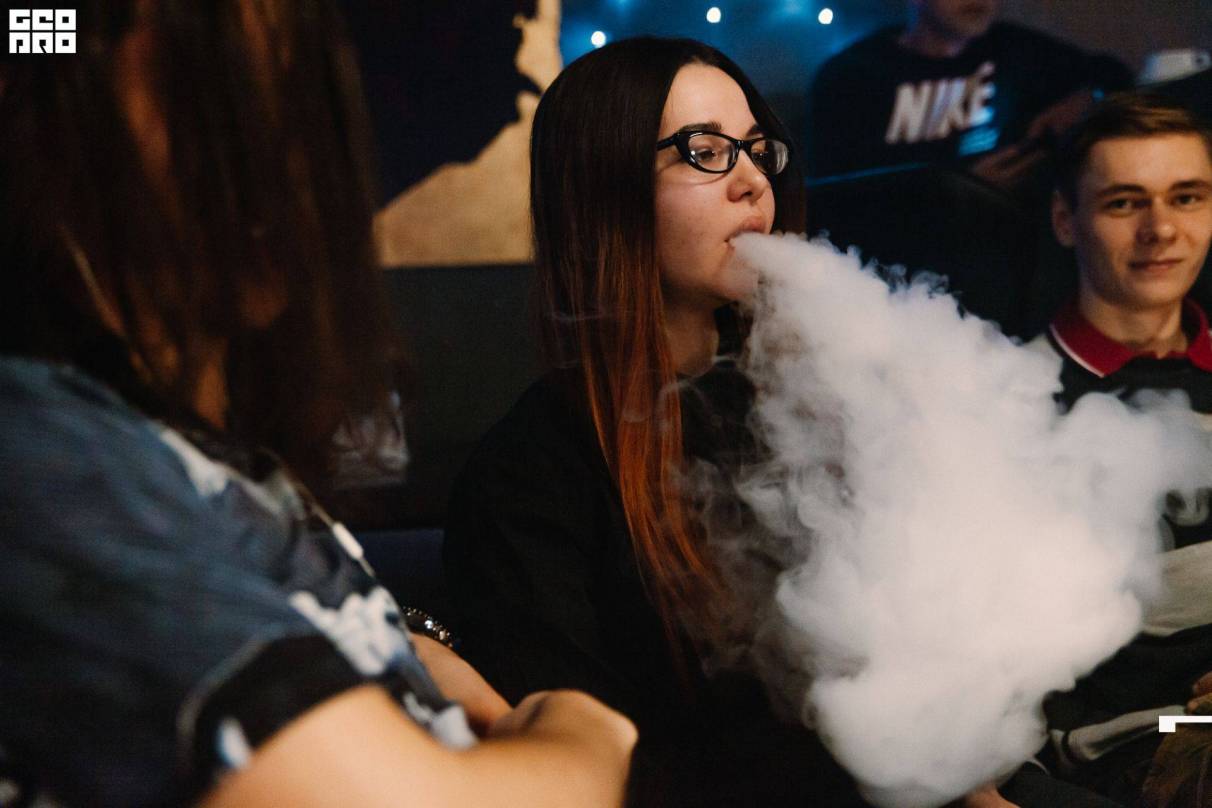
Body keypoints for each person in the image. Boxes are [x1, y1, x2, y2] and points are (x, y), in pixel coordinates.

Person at [442, 35, 1114, 808]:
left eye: (758, 151)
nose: (752, 182)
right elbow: (579, 767)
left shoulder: (808, 400)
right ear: (603, 187)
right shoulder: (528, 478)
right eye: (705, 152)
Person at [0, 2, 635, 806]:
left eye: (301, 113)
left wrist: (406, 647)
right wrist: (583, 735)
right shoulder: (39, 448)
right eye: (227, 100)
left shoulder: (183, 447)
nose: (293, 176)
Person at [1027, 93, 1212, 803]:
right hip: (1140, 742)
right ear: (1065, 220)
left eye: (1186, 197)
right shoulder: (1007, 399)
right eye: (1125, 203)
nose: (1161, 230)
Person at [807, 0, 1131, 188]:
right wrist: (960, 186)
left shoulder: (1012, 48)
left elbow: (1114, 73)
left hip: (1006, 238)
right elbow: (834, 190)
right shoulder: (853, 75)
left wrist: (1088, 97)